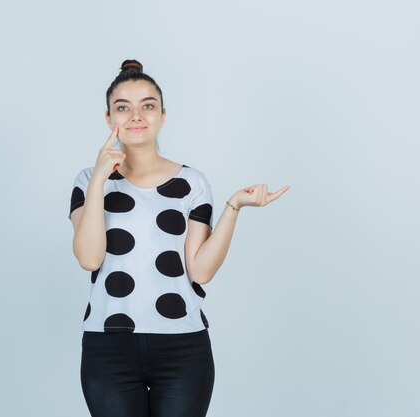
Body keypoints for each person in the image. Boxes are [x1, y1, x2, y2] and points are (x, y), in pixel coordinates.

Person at [68, 58, 290, 417]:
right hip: (108, 349)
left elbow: (199, 271)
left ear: (163, 115)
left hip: (182, 349)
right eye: (123, 108)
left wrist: (234, 206)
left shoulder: (192, 183)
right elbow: (89, 258)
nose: (136, 116)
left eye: (148, 106)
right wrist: (98, 179)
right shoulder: (87, 181)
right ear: (109, 119)